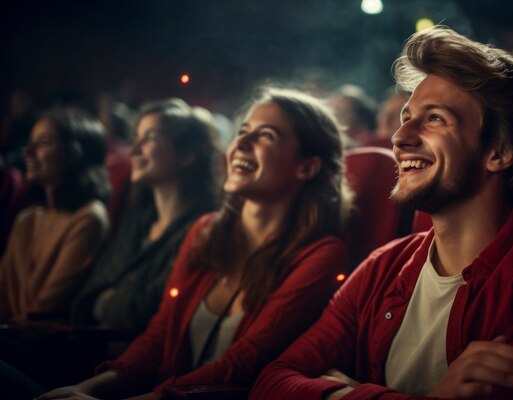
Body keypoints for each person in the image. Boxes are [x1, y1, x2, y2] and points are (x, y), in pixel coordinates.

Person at [250, 26, 513, 400]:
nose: (399, 137)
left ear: (500, 152)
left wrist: (343, 390)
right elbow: (271, 381)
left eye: (435, 118)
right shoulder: (383, 265)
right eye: (406, 117)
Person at [38, 87, 353, 399]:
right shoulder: (205, 231)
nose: (240, 143)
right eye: (243, 131)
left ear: (307, 167)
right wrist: (86, 389)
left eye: (266, 135)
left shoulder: (322, 256)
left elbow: (244, 363)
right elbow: (160, 335)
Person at [71, 98, 221, 332]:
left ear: (187, 155)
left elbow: (148, 311)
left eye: (149, 138)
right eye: (135, 138)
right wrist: (114, 302)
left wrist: (109, 302)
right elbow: (88, 295)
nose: (134, 150)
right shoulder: (139, 221)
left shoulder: (201, 229)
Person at [0, 107, 110, 323]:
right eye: (30, 142)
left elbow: (45, 308)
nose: (28, 152)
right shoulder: (27, 219)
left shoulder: (89, 218)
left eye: (43, 142)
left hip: (44, 346)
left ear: (73, 154)